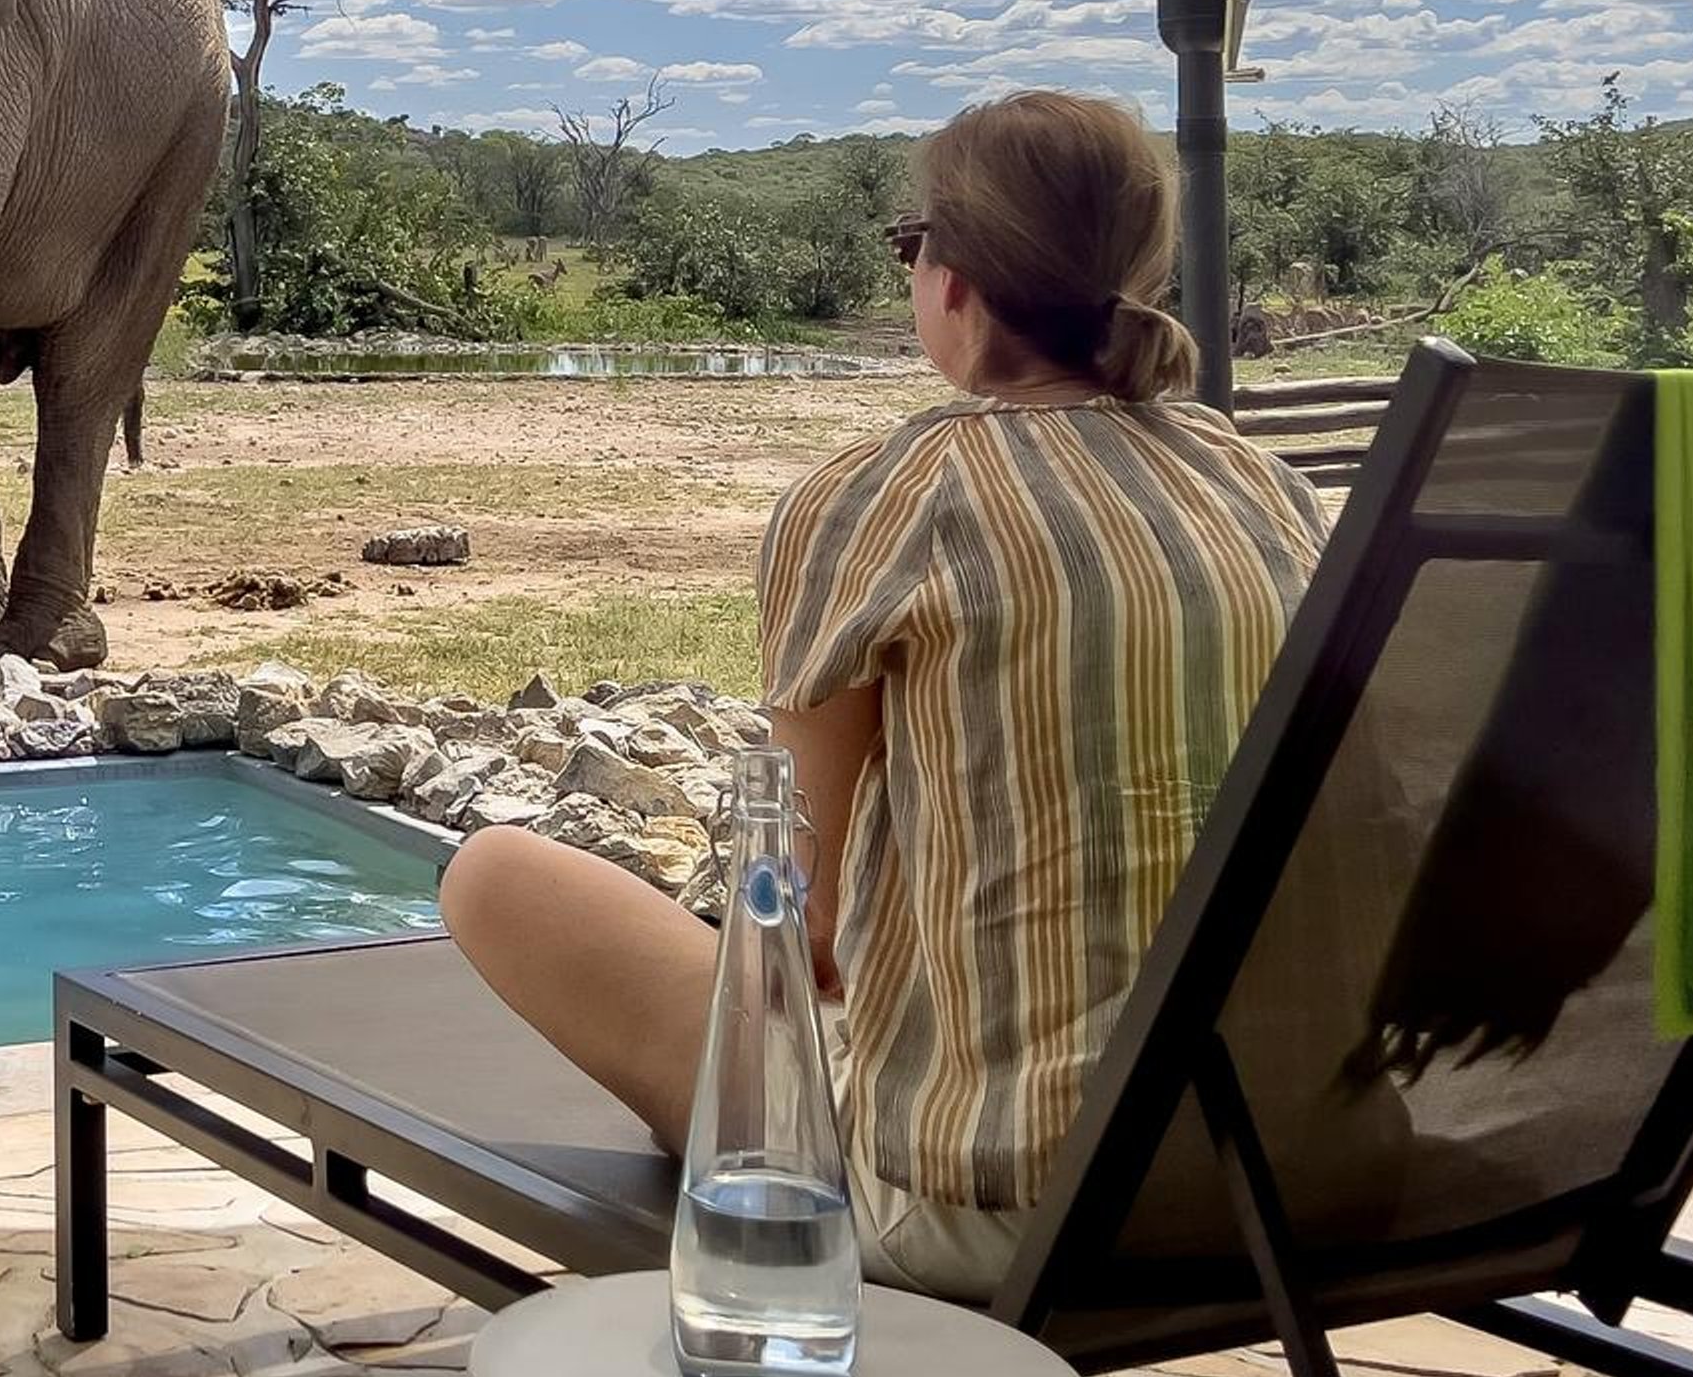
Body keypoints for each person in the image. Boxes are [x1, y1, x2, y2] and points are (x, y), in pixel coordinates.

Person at [436, 89, 1327, 1299]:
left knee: (498, 874)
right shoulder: (1259, 486)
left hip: (1010, 1198)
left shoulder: (886, 499)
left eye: (912, 248)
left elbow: (800, 919)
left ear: (950, 278)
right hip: (1284, 1167)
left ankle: (754, 1160)